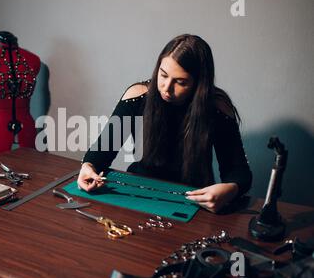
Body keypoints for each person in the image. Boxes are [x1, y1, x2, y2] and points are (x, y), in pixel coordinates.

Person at [78, 34, 252, 213]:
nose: (166, 88)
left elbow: (238, 172)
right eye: (163, 75)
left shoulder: (217, 107)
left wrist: (230, 189)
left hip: (193, 198)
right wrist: (88, 167)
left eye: (180, 82)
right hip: (138, 190)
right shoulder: (137, 96)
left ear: (199, 84)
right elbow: (101, 152)